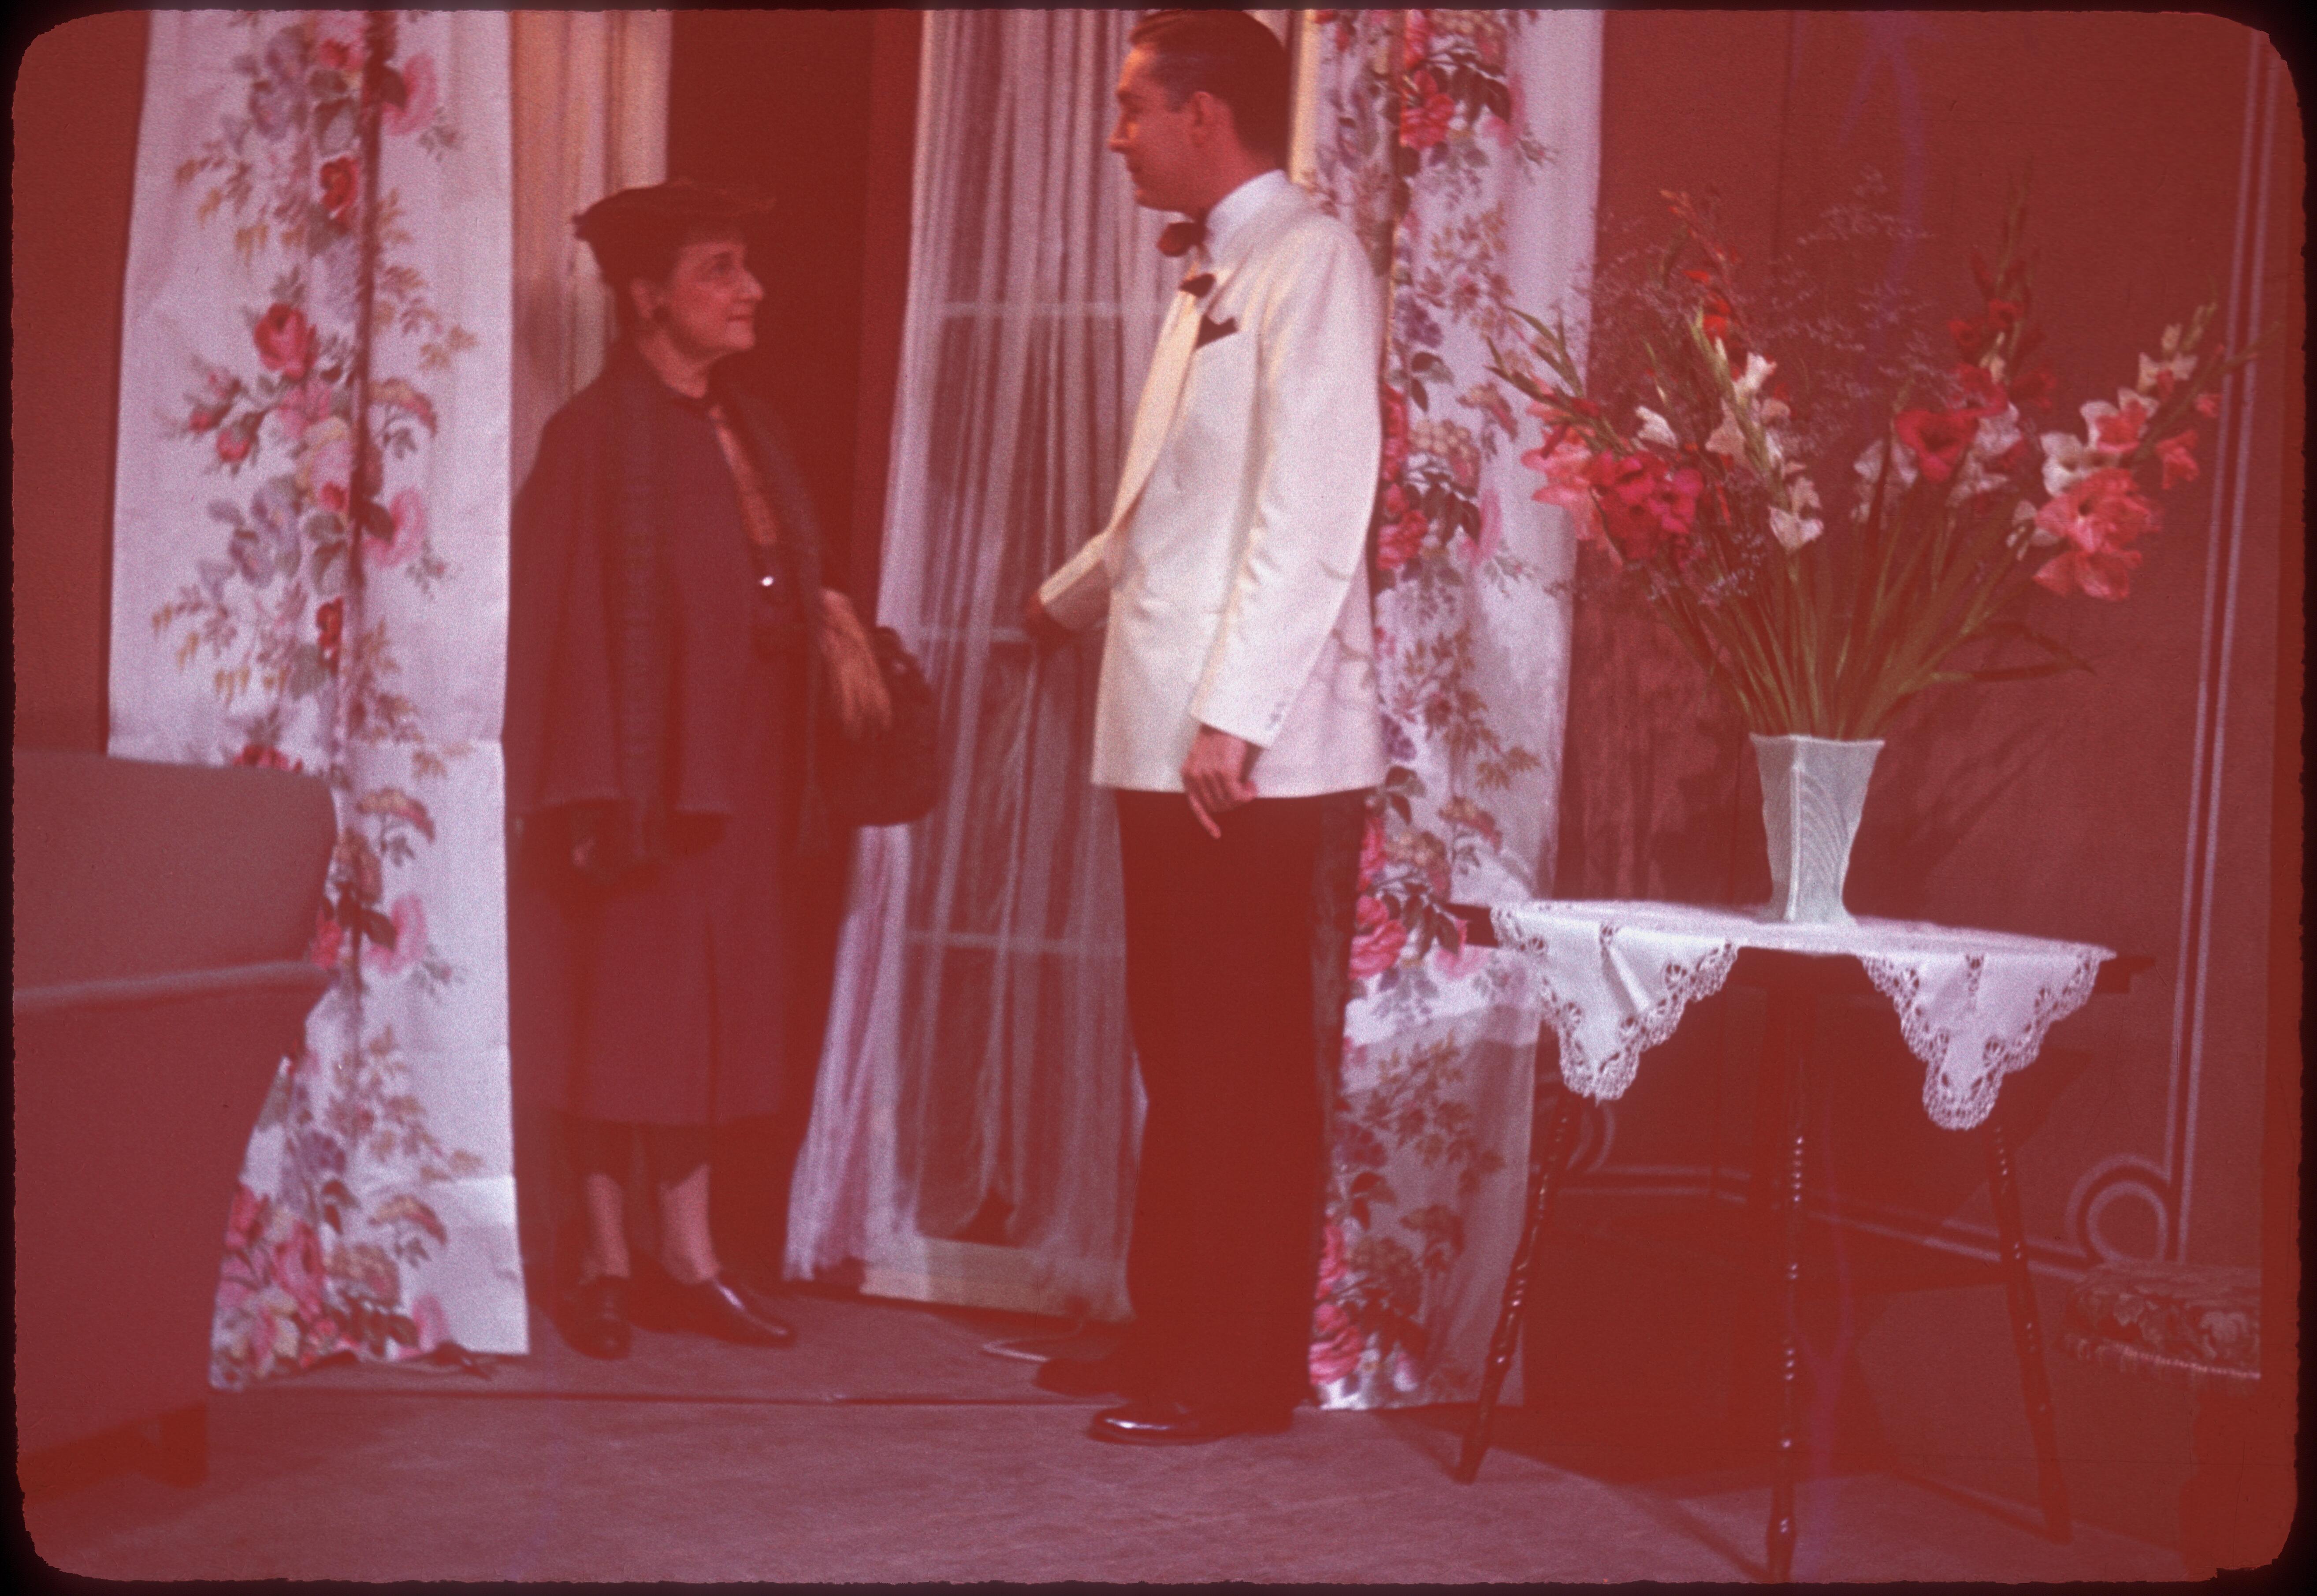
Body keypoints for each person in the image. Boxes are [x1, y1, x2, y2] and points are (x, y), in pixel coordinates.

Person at [1023, 11, 1385, 1444]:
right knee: (1178, 1050)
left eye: (1133, 108)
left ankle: (1234, 1372)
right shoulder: (1212, 271)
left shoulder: (1309, 260)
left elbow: (1310, 509)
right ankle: (1169, 1328)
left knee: (1234, 1058)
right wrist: (1059, 602)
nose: (1115, 137)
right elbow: (1169, 506)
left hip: (1240, 752)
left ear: (1205, 114)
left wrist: (1232, 720)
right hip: (1162, 724)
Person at [506, 180, 891, 1361]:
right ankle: (608, 1262)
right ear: (647, 297)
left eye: (744, 266)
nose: (750, 290)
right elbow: (558, 626)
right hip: (638, 788)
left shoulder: (745, 428)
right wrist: (586, 793)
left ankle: (691, 1259)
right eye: (718, 269)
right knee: (617, 1019)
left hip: (742, 779)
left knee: (702, 1028)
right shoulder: (591, 440)